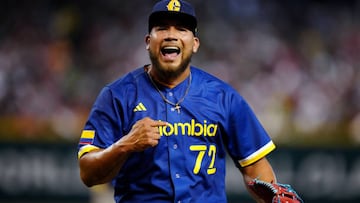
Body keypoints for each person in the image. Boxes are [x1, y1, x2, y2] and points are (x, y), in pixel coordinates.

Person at [77, 0, 277, 202]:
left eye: (181, 29)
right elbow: (88, 174)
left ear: (195, 44)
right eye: (162, 28)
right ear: (148, 41)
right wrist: (125, 144)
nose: (171, 35)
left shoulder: (223, 97)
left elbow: (255, 168)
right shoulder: (117, 95)